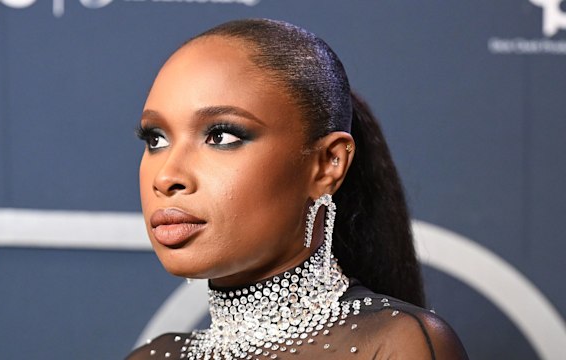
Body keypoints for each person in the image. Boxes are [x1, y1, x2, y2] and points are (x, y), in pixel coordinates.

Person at [128, 18, 468, 360]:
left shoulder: (396, 345)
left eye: (222, 136)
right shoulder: (152, 357)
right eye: (156, 139)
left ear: (326, 164)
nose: (166, 176)